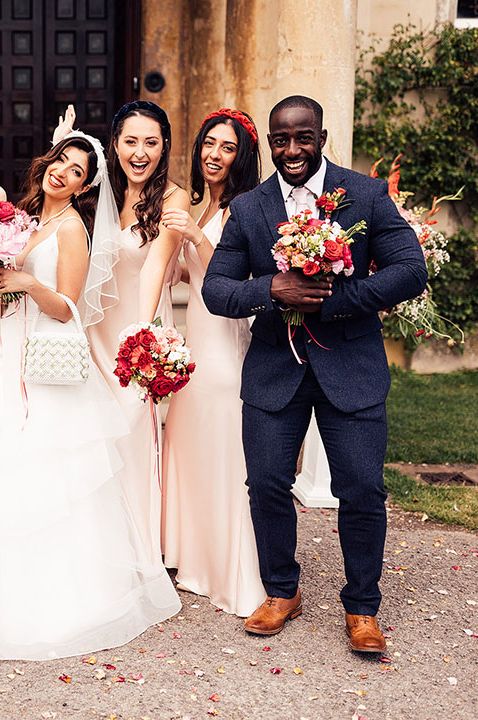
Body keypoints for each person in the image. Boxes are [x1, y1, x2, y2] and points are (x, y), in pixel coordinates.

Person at [202, 95, 427, 651]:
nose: (292, 149)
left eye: (303, 138)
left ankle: (362, 609)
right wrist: (271, 289)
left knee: (361, 489)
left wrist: (335, 301)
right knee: (268, 485)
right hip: (276, 369)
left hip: (351, 366)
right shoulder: (251, 209)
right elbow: (215, 289)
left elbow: (409, 271)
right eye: (281, 139)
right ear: (271, 143)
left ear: (321, 138)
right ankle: (282, 590)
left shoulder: (365, 195)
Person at [0, 133, 179, 660]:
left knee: (50, 473)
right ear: (47, 163)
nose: (64, 173)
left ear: (84, 187)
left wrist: (27, 285)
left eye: (77, 171)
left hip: (47, 362)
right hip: (15, 348)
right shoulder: (28, 220)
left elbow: (67, 306)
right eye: (61, 161)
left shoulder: (72, 229)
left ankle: (57, 594)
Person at [160, 109, 266, 616]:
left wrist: (196, 241)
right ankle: (192, 556)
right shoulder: (204, 205)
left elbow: (234, 277)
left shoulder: (248, 209)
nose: (213, 155)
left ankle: (230, 568)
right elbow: (196, 275)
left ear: (242, 156)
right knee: (191, 445)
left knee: (226, 454)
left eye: (226, 147)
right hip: (194, 346)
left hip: (226, 347)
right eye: (208, 144)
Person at [81, 101, 189, 584]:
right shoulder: (101, 191)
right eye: (130, 141)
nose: (140, 152)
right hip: (91, 335)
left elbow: (155, 265)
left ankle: (138, 550)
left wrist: (140, 340)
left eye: (151, 141)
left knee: (132, 432)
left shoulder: (174, 199)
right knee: (92, 436)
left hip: (133, 339)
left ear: (164, 145)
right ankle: (95, 543)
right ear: (116, 144)